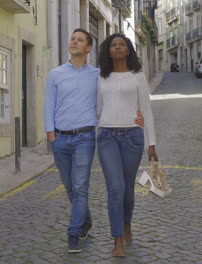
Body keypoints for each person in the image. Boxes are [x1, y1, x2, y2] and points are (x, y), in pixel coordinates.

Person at [43, 29, 143, 254]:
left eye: (80, 40)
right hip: (59, 138)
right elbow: (48, 104)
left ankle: (74, 232)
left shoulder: (99, 75)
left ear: (88, 48)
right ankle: (85, 221)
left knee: (80, 187)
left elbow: (113, 98)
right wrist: (51, 135)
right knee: (70, 187)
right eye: (72, 39)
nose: (74, 42)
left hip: (85, 138)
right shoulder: (55, 74)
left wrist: (137, 115)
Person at [96, 33, 158, 257]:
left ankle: (127, 223)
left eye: (122, 44)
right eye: (114, 45)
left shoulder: (138, 77)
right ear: (108, 50)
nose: (118, 48)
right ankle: (117, 241)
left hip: (133, 136)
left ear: (129, 49)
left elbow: (147, 110)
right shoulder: (102, 77)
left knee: (128, 189)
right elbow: (98, 108)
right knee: (115, 189)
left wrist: (151, 143)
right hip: (107, 137)